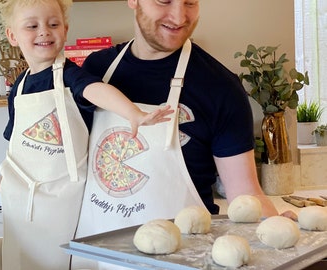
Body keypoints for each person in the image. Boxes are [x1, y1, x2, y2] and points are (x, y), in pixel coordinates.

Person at [71, 0, 295, 268]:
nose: (179, 16)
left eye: (190, 2)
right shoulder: (97, 72)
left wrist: (277, 227)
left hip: (183, 260)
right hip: (96, 258)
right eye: (164, 0)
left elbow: (245, 195)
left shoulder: (221, 88)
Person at [0, 0, 172, 270]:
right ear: (13, 36)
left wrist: (132, 113)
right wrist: (3, 173)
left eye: (53, 24)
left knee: (56, 260)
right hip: (21, 196)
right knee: (20, 258)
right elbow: (15, 136)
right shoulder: (19, 85)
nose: (44, 31)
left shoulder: (70, 75)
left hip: (63, 199)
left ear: (65, 30)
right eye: (32, 26)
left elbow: (96, 91)